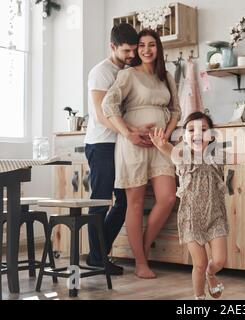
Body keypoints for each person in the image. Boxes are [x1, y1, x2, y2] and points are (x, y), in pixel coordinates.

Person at [149, 111, 245, 299]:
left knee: (219, 260)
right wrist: (161, 145)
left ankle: (211, 274)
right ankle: (199, 298)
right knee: (200, 263)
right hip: (191, 219)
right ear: (184, 136)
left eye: (203, 129)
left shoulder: (217, 156)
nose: (197, 134)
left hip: (215, 216)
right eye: (191, 130)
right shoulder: (182, 157)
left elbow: (243, 156)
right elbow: (169, 150)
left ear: (211, 135)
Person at [102, 29, 181, 279]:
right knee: (134, 203)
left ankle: (144, 248)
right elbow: (108, 105)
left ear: (159, 48)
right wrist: (128, 132)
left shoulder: (166, 77)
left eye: (152, 45)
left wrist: (165, 135)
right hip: (133, 144)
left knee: (168, 197)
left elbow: (176, 110)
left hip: (160, 145)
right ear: (137, 49)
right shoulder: (128, 75)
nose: (147, 50)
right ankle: (140, 262)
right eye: (142, 45)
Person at [84, 23, 154, 275]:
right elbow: (103, 114)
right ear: (112, 46)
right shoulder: (101, 72)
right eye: (125, 51)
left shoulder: (128, 70)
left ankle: (98, 252)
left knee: (123, 200)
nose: (131, 55)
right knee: (101, 200)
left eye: (133, 50)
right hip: (102, 143)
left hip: (120, 143)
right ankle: (96, 256)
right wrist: (129, 132)